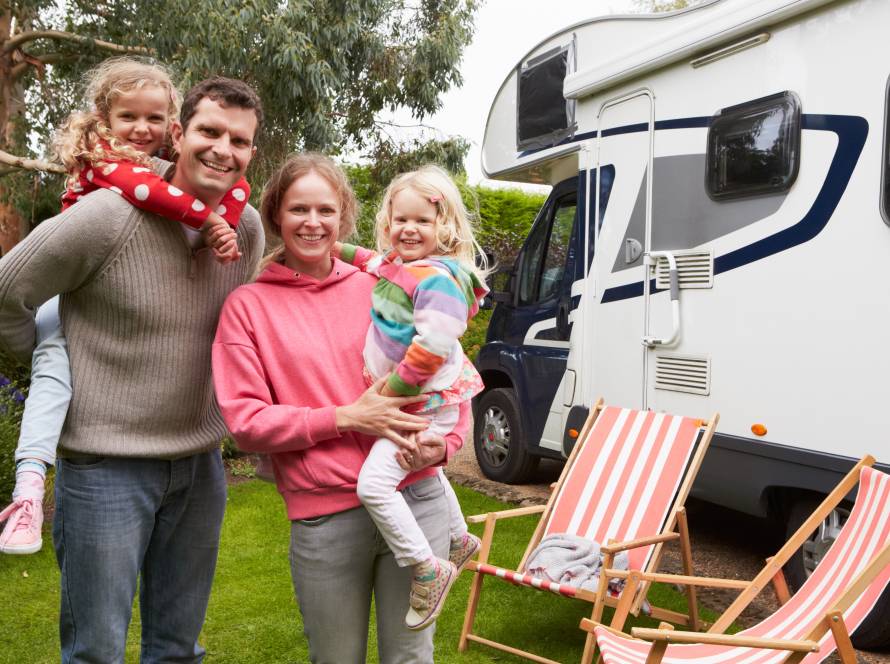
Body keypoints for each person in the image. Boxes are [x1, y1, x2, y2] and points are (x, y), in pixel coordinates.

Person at [0, 75, 264, 663]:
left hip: (199, 468)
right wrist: (47, 355)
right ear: (178, 134)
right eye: (209, 131)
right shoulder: (104, 217)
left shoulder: (245, 228)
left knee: (177, 650)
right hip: (104, 472)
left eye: (239, 140)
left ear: (251, 151)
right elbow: (7, 290)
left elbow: (242, 336)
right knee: (96, 651)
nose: (223, 149)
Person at [213, 153, 472, 663]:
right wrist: (345, 417)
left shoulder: (387, 285)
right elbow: (245, 422)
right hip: (325, 518)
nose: (313, 223)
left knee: (411, 657)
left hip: (416, 499)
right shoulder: (248, 306)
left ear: (344, 216)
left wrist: (447, 441)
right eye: (298, 210)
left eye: (326, 210)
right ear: (275, 216)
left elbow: (448, 368)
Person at [334, 164, 488, 630]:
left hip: (420, 402)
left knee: (374, 485)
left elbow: (435, 343)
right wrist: (324, 246)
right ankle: (459, 538)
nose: (409, 228)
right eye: (400, 219)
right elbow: (365, 259)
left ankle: (427, 567)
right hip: (421, 402)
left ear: (445, 227)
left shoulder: (439, 279)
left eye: (422, 220)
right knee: (420, 467)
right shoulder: (403, 268)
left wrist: (393, 392)